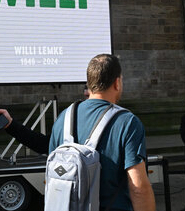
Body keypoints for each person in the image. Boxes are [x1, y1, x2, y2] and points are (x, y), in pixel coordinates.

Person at [48, 54, 156, 211]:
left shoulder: (63, 118)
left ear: (90, 83)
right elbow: (138, 187)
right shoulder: (127, 122)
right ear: (117, 83)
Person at [0, 84, 91, 154]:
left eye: (93, 88)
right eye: (86, 88)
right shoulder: (71, 118)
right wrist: (10, 125)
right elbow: (42, 144)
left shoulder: (106, 122)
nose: (86, 92)